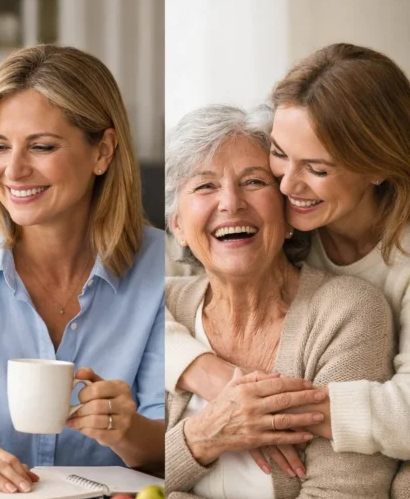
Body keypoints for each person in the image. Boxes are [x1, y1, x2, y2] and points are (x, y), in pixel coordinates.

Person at [163, 104, 408, 499]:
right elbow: (126, 477)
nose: (231, 203)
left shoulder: (345, 312)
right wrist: (201, 437)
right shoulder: (162, 310)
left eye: (254, 182)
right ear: (178, 226)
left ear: (286, 211)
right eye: (204, 186)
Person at [0, 45, 165, 494]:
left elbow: (172, 447)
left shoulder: (158, 268)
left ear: (102, 151)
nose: (14, 170)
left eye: (41, 147)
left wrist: (126, 430)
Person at [168, 44, 410, 463]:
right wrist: (208, 373)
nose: (285, 186)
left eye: (317, 169)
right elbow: (147, 301)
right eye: (279, 155)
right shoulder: (287, 227)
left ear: (377, 167)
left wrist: (260, 410)